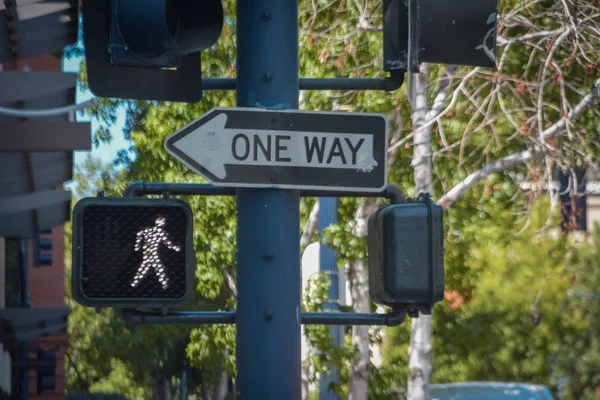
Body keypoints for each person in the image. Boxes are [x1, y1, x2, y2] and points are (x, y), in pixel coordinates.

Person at [130, 216, 181, 290]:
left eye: (164, 221)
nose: (163, 223)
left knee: (146, 268)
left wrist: (137, 245)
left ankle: (134, 284)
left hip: (147, 251)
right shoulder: (160, 232)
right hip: (152, 252)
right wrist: (176, 248)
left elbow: (139, 233)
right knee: (157, 268)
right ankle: (165, 286)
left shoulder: (148, 230)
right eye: (162, 221)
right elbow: (168, 243)